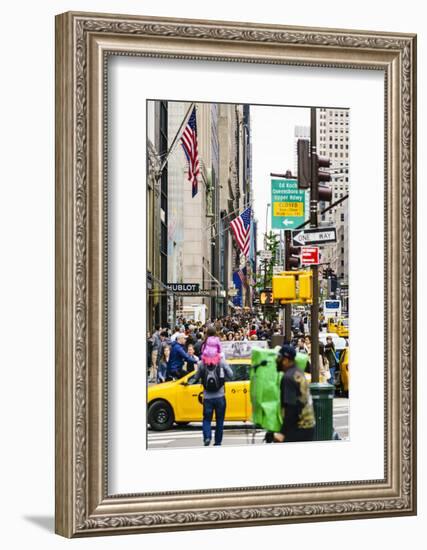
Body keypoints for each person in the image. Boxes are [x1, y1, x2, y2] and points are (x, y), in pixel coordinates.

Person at [193, 331, 233, 446]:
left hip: (207, 397)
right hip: (220, 396)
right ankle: (218, 443)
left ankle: (207, 437)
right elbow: (231, 375)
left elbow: (196, 377)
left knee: (206, 419)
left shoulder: (201, 363)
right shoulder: (221, 361)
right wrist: (223, 377)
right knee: (219, 421)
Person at [273, 344, 315, 443]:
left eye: (279, 358)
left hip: (298, 428)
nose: (277, 361)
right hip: (308, 426)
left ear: (286, 360)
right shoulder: (298, 372)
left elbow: (291, 407)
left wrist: (282, 433)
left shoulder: (288, 378)